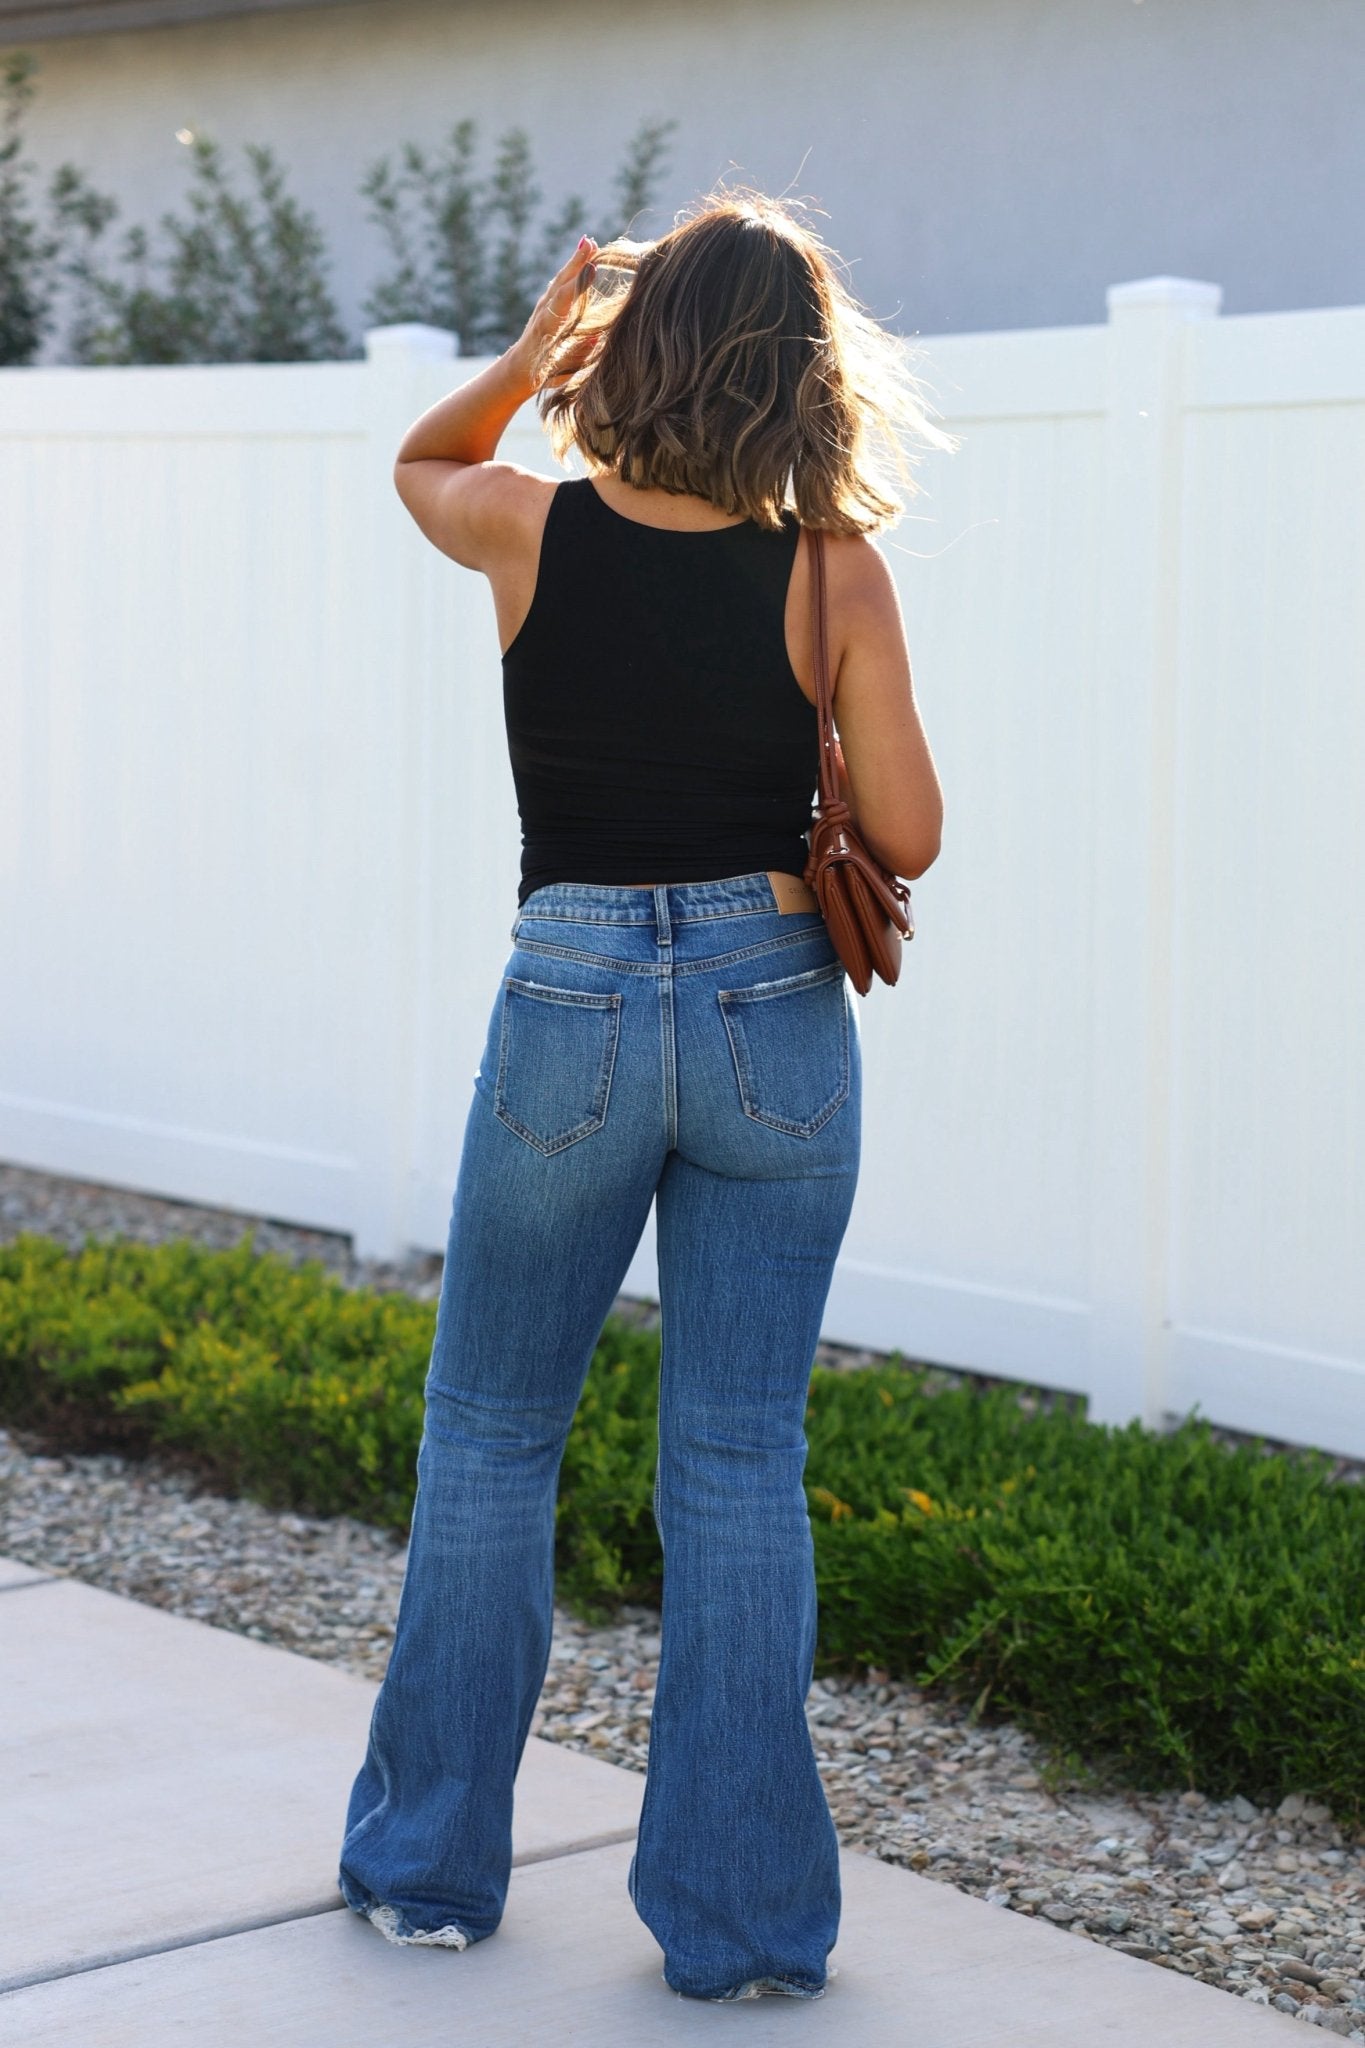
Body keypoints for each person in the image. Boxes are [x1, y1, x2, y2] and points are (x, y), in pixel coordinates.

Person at [338, 186, 952, 2004]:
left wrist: (526, 364)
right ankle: (745, 1930)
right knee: (742, 1463)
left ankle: (427, 1873)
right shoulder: (835, 569)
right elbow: (908, 836)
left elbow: (415, 465)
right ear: (801, 379)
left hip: (573, 999)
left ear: (638, 353)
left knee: (492, 1436)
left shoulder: (531, 531)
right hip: (773, 1006)